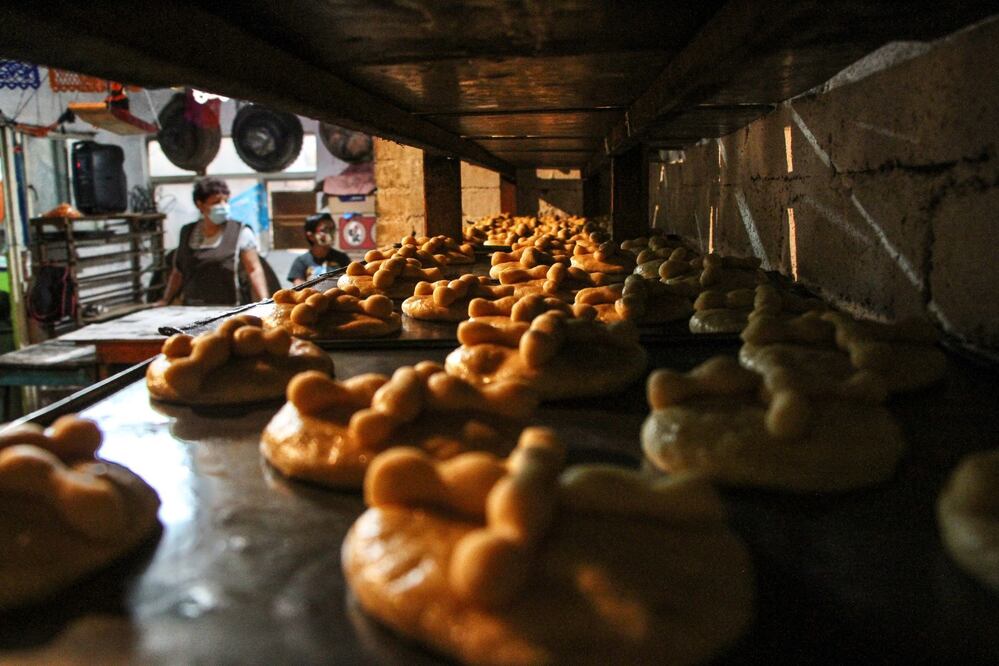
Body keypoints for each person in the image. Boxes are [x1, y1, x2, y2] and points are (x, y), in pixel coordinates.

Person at [156, 178, 269, 306]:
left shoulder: (240, 232)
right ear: (200, 204)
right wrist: (166, 300)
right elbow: (178, 272)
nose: (223, 206)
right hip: (191, 308)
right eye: (216, 202)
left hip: (229, 307)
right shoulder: (187, 232)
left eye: (225, 201)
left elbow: (254, 270)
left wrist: (264, 304)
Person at [287, 212, 351, 285]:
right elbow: (299, 286)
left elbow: (350, 280)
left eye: (332, 229)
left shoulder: (342, 258)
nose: (331, 233)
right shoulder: (301, 261)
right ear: (310, 236)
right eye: (325, 230)